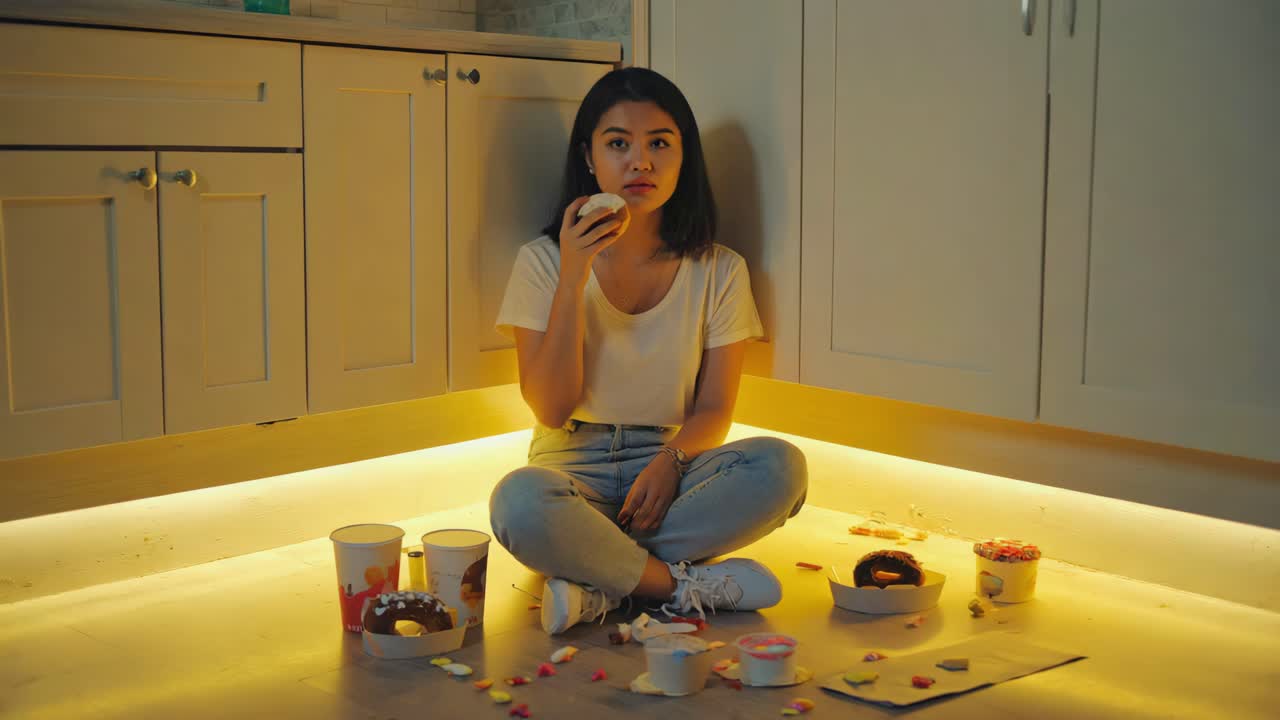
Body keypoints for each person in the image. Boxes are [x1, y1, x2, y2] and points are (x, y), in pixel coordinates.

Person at [489, 67, 808, 635]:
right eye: (619, 144)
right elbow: (550, 409)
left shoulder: (720, 268)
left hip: (672, 463)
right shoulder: (541, 262)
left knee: (781, 467)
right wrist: (572, 276)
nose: (641, 162)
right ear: (589, 157)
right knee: (517, 503)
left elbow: (714, 408)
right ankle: (676, 585)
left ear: (684, 158)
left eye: (660, 143)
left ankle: (600, 579)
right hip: (569, 463)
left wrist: (671, 462)